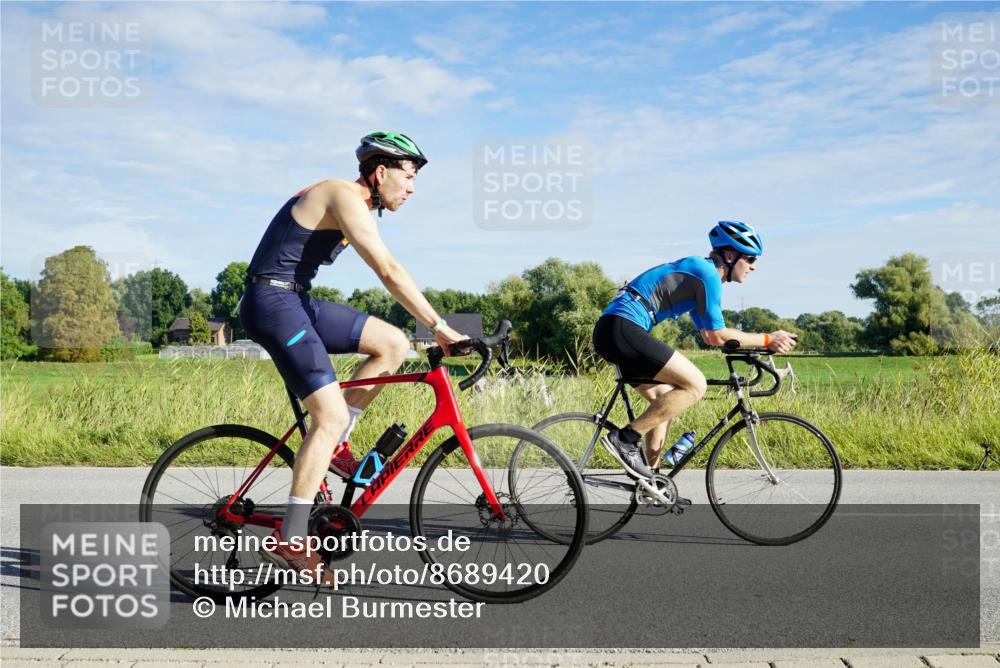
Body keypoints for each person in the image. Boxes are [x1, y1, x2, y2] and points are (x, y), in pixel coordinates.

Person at [239, 131, 467, 581]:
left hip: (297, 300)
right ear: (380, 172)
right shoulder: (343, 194)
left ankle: (339, 441)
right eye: (409, 175)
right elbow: (388, 269)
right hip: (272, 301)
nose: (412, 187)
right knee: (326, 417)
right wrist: (440, 328)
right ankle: (290, 537)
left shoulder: (355, 204)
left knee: (394, 344)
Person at [593, 221, 797, 479]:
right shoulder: (707, 274)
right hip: (623, 327)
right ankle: (624, 439)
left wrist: (754, 347)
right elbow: (716, 335)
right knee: (696, 385)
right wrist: (768, 339)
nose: (754, 266)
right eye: (750, 258)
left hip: (614, 330)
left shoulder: (702, 277)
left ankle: (650, 481)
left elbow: (711, 337)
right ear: (731, 256)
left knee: (665, 402)